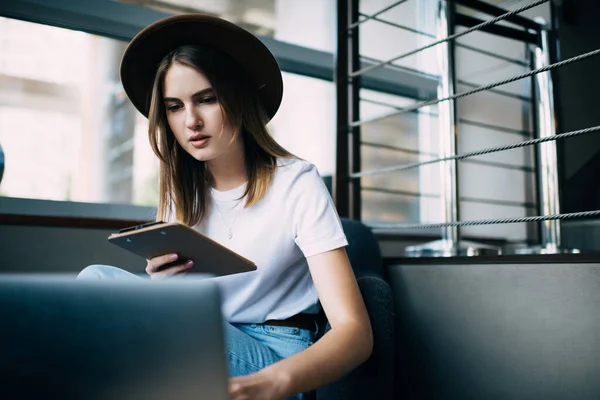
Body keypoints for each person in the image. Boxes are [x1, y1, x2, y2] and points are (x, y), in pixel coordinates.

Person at [78, 14, 372, 400]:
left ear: (236, 98)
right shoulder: (181, 193)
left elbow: (355, 331)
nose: (191, 121)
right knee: (96, 282)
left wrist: (273, 382)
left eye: (206, 99)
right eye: (174, 107)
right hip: (206, 330)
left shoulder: (297, 182)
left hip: (275, 356)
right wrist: (163, 289)